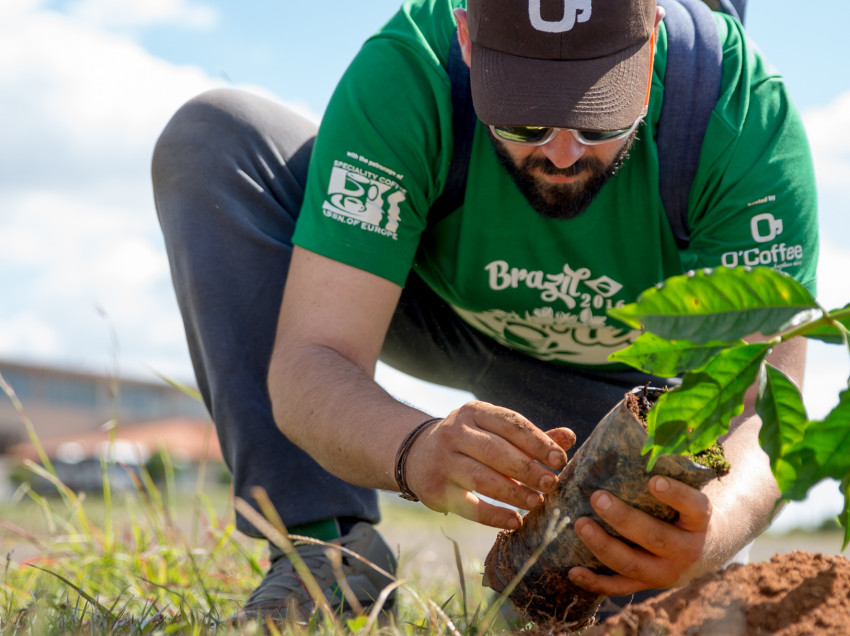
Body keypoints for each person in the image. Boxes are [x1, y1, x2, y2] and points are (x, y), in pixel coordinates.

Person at [151, 0, 818, 624]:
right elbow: (310, 361)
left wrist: (711, 535)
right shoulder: (411, 70)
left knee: (569, 610)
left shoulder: (738, 113)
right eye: (524, 118)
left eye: (600, 116)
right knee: (216, 136)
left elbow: (763, 410)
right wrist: (412, 449)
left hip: (622, 390)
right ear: (468, 40)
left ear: (648, 57)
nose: (562, 152)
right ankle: (327, 558)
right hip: (433, 312)